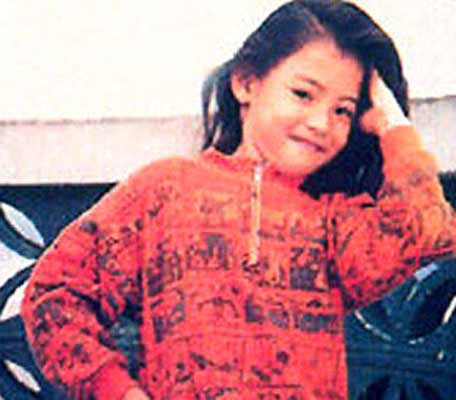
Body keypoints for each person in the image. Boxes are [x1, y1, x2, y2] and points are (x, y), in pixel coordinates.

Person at [21, 1, 456, 399]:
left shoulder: (334, 222)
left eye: (342, 110)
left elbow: (426, 228)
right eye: (303, 94)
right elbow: (55, 294)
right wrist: (118, 390)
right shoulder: (163, 191)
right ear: (246, 83)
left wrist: (393, 124)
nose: (321, 122)